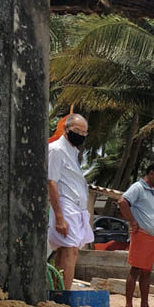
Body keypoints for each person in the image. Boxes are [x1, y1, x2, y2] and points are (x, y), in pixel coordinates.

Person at [47, 114, 93, 289]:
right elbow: (51, 181)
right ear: (66, 129)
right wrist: (59, 216)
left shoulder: (72, 152)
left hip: (76, 208)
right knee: (69, 250)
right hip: (65, 205)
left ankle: (59, 292)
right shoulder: (57, 150)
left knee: (69, 250)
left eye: (83, 132)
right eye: (76, 131)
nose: (80, 135)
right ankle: (63, 293)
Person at [118, 162, 154, 307]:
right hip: (141, 235)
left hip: (150, 237)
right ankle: (128, 306)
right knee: (135, 270)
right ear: (151, 173)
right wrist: (133, 222)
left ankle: (144, 305)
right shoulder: (138, 187)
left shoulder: (150, 192)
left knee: (146, 272)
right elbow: (122, 202)